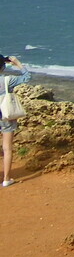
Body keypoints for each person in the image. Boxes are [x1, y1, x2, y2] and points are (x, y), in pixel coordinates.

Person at [1, 54, 31, 187]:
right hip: (6, 115)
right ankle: (6, 179)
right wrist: (17, 63)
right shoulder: (8, 80)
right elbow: (27, 77)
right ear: (2, 66)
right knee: (7, 148)